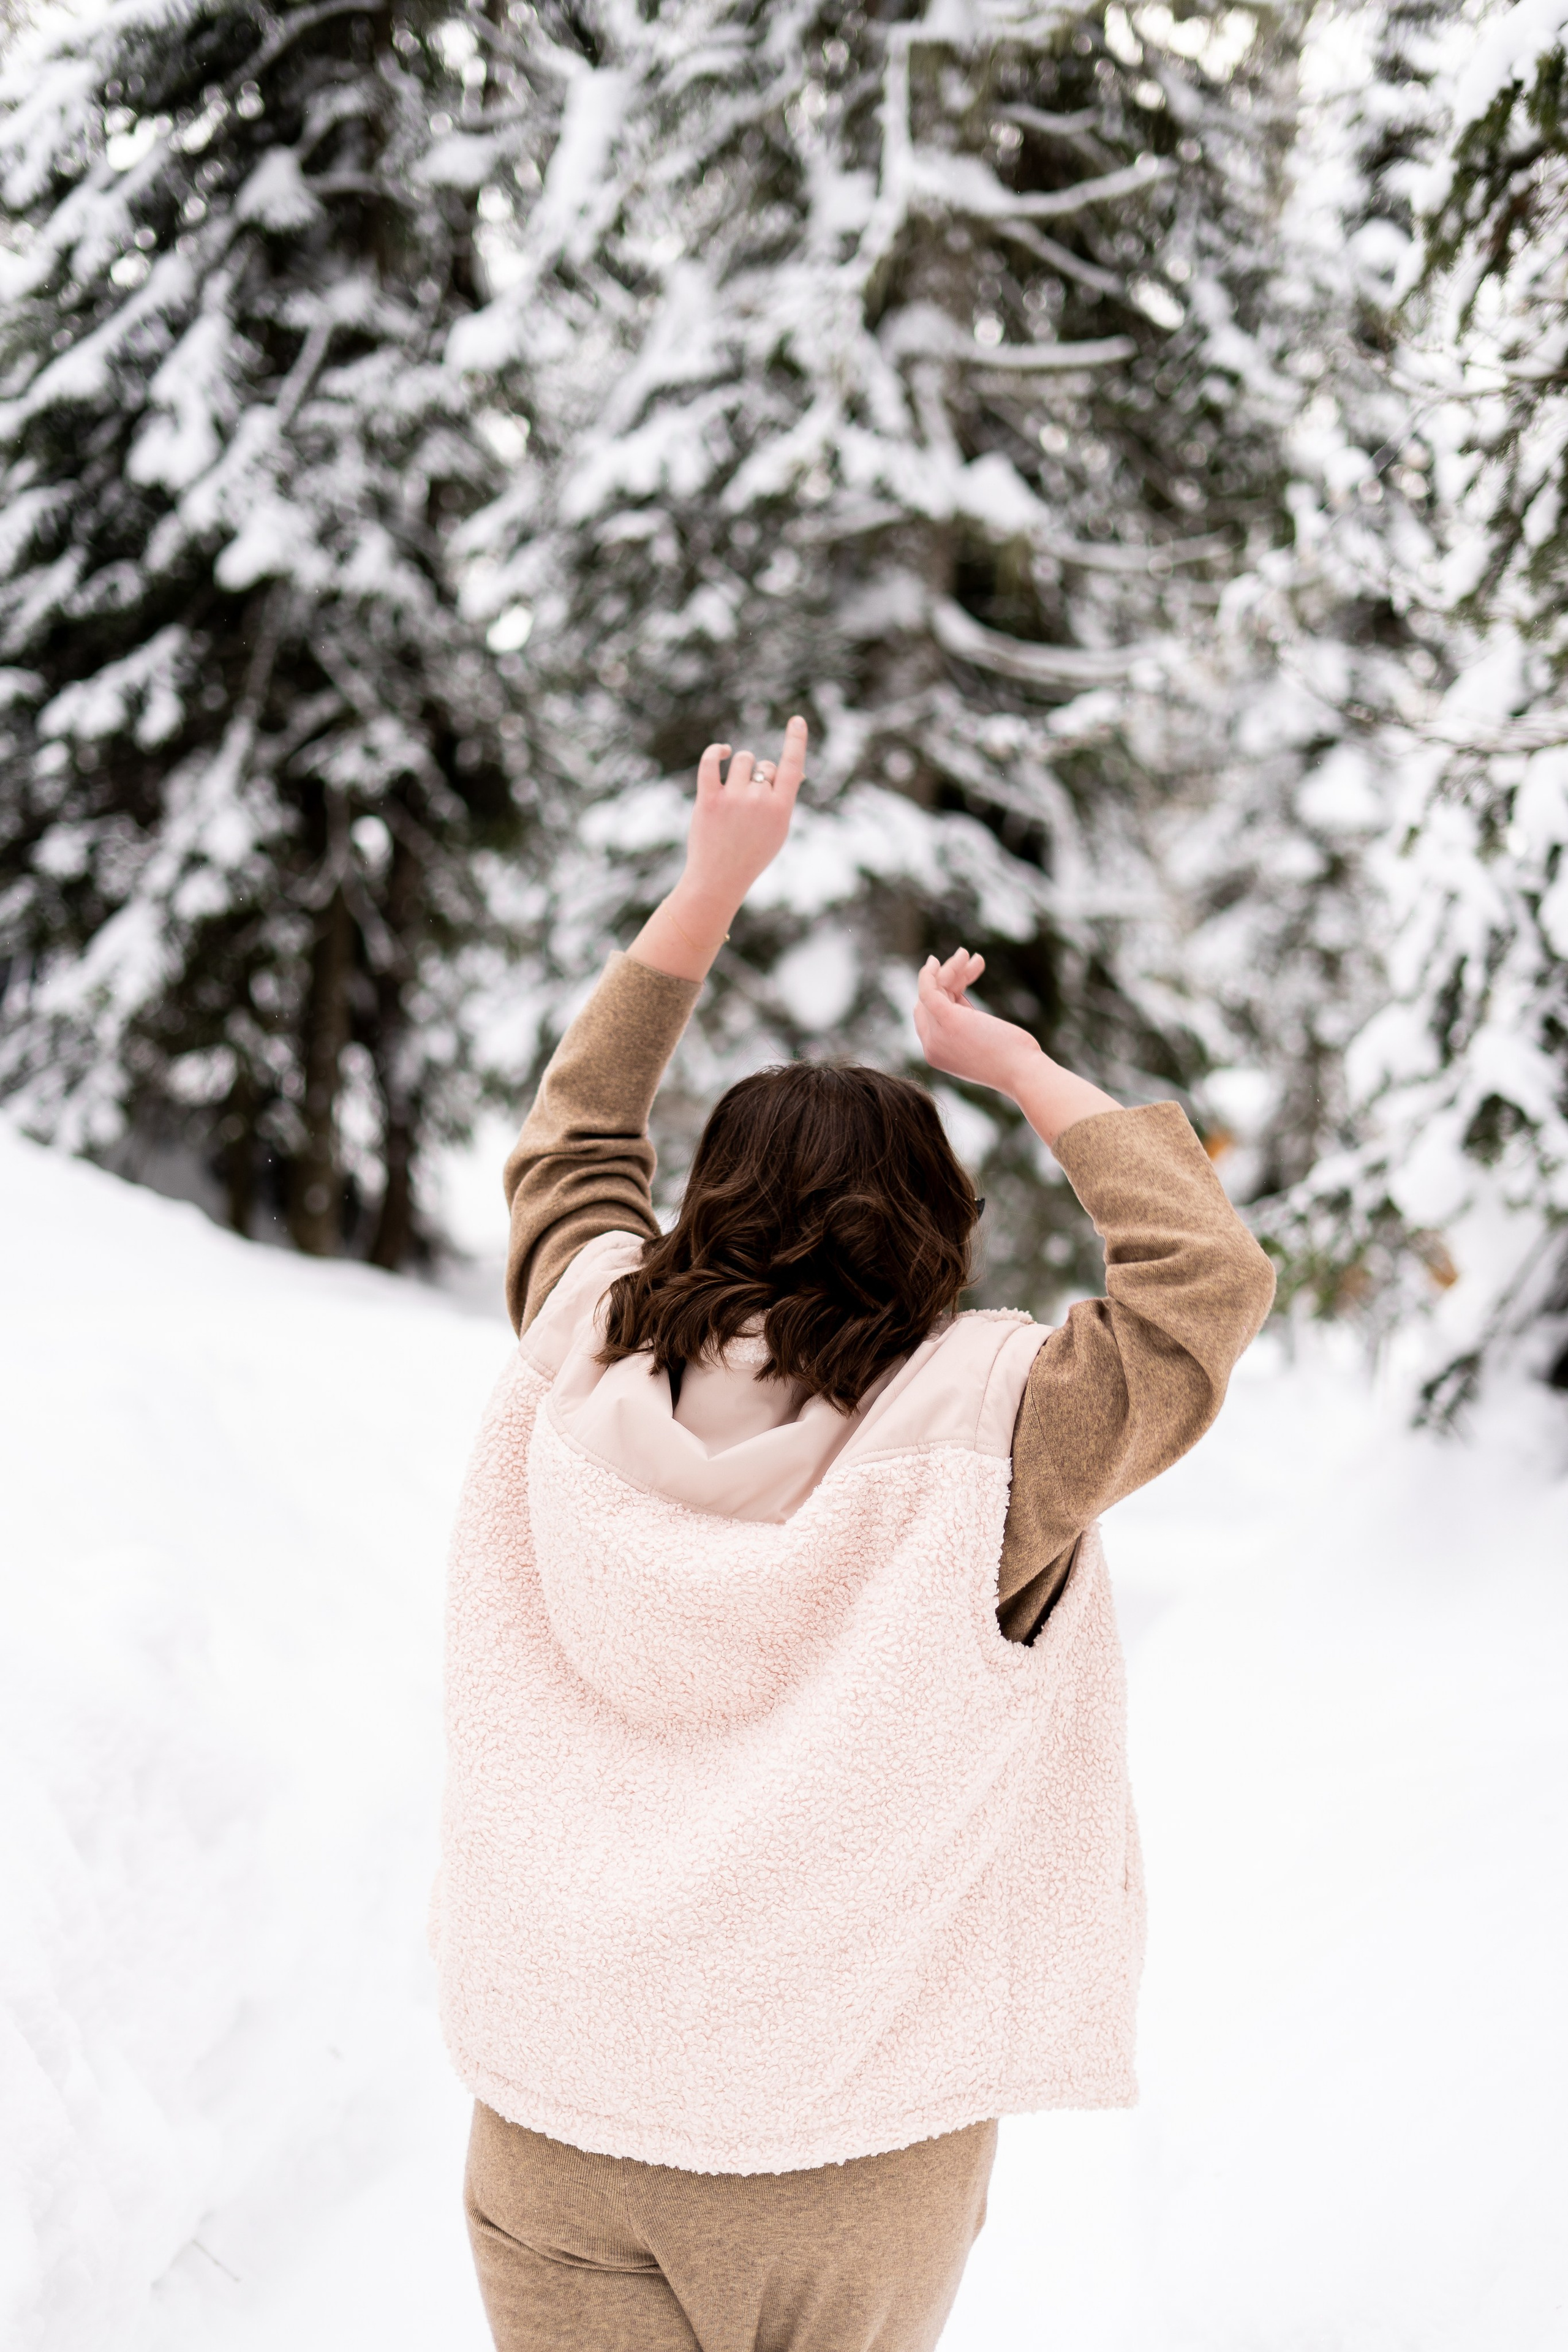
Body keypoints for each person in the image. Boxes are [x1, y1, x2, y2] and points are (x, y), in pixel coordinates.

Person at [434, 716, 1276, 2352]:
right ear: (940, 1229)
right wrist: (1022, 1070)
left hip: (547, 2120)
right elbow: (1203, 1292)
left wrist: (707, 892)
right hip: (836, 2148)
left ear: (703, 1210)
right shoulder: (997, 1435)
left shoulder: (579, 1335)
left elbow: (577, 1132)